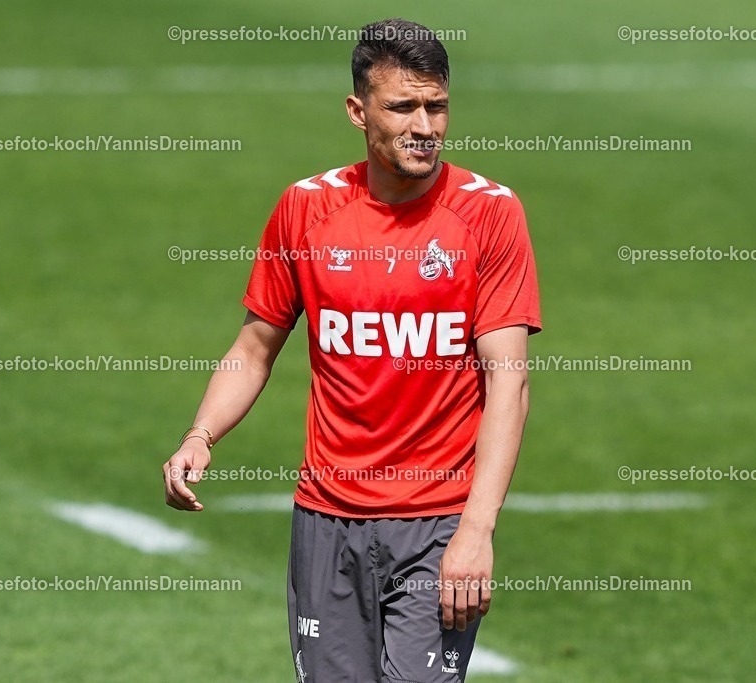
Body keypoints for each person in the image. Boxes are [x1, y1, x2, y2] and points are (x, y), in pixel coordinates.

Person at [163, 17, 541, 682]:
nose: (424, 125)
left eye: (437, 105)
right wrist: (202, 434)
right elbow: (255, 347)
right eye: (403, 107)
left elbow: (508, 380)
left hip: (437, 523)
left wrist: (476, 528)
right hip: (326, 520)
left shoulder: (490, 213)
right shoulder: (305, 210)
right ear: (357, 110)